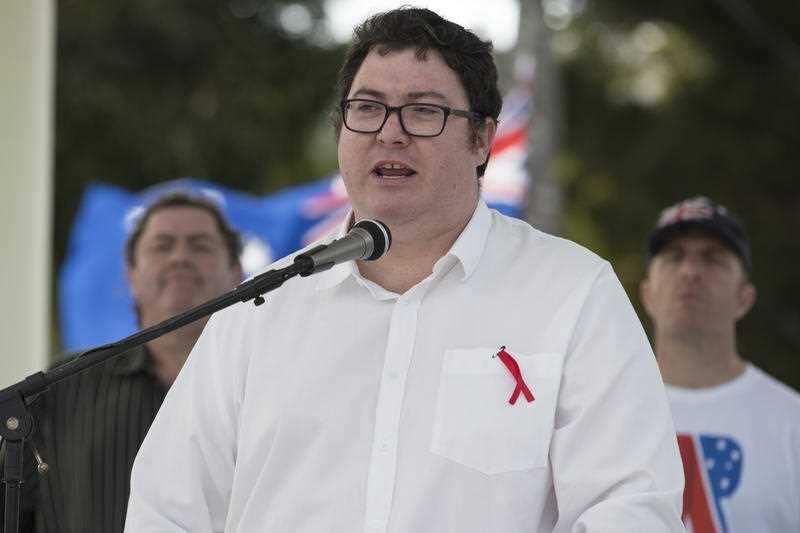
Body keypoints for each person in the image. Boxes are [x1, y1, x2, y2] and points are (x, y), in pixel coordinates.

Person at [126, 8, 685, 532]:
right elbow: (168, 509)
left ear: (482, 137)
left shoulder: (571, 293)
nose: (389, 133)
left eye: (424, 111)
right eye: (367, 108)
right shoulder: (261, 305)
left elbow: (630, 506)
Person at [9, 192, 244, 532]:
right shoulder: (61, 387)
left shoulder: (269, 385)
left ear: (236, 272)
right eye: (162, 245)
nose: (180, 257)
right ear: (130, 273)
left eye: (200, 245)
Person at [639, 196, 800, 532]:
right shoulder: (599, 410)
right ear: (647, 293)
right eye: (674, 256)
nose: (691, 271)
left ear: (745, 297)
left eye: (713, 259)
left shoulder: (792, 424)